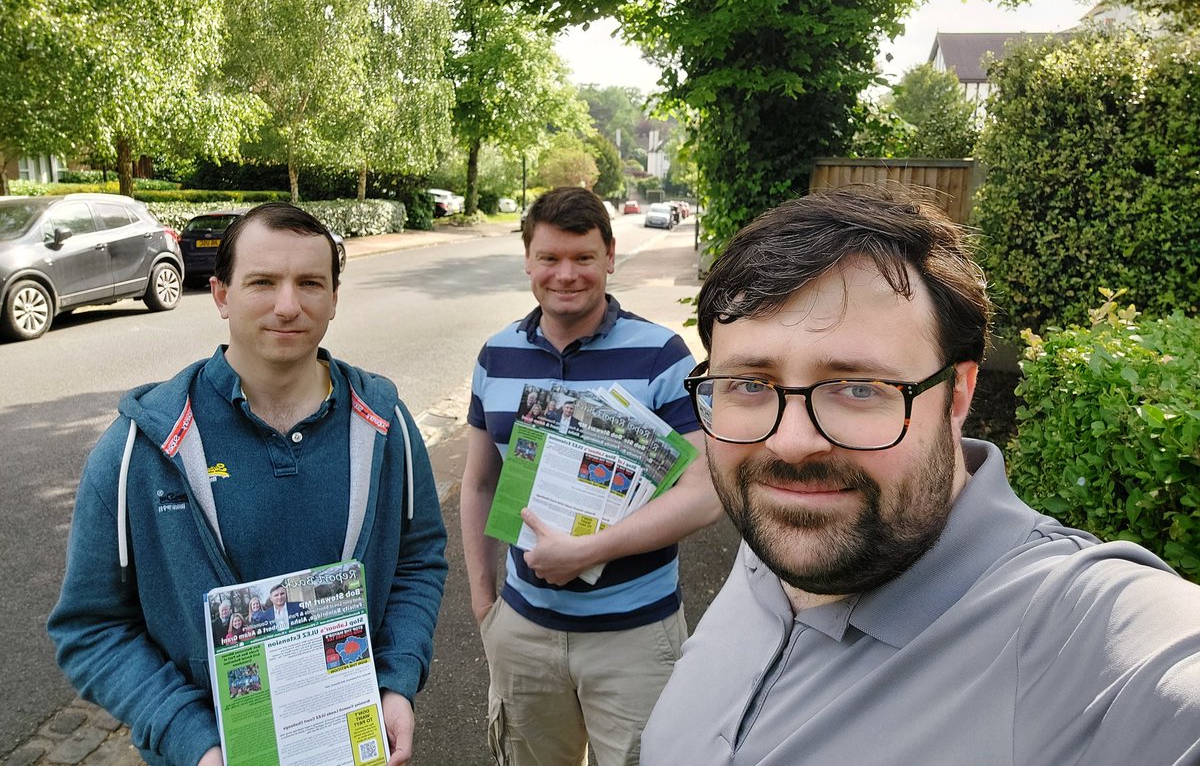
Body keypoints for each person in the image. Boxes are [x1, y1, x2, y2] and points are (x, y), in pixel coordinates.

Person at [640, 186, 1200, 765]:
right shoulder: (776, 543)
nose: (790, 444)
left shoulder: (1075, 634)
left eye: (859, 388)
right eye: (751, 385)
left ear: (957, 394)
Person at [49, 202, 448, 766]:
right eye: (263, 282)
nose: (288, 305)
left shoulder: (386, 425)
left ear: (334, 298)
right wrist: (197, 744)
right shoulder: (138, 450)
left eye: (310, 283)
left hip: (354, 747)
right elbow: (92, 628)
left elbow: (417, 560)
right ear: (220, 295)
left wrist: (395, 681)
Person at [462, 186, 722, 766]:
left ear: (609, 256)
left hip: (633, 636)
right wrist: (485, 604)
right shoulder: (495, 355)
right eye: (549, 258)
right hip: (522, 630)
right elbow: (479, 484)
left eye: (582, 258)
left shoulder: (662, 354)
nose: (566, 275)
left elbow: (706, 494)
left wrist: (590, 551)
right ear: (528, 260)